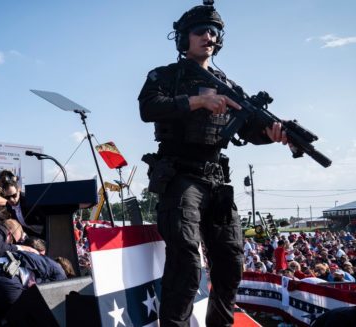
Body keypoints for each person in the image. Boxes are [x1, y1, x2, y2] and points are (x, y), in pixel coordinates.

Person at [138, 3, 289, 327]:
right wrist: (198, 100)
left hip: (217, 180)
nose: (208, 36)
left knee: (230, 262)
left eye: (214, 31)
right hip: (180, 177)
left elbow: (248, 128)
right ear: (183, 38)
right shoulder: (165, 76)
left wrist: (272, 134)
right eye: (200, 31)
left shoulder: (229, 86)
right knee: (186, 263)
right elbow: (148, 107)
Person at [0, 170, 45, 237]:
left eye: (14, 195)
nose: (11, 199)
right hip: (32, 236)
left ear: (19, 190)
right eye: (7, 197)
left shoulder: (29, 200)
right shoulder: (8, 206)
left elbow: (45, 219)